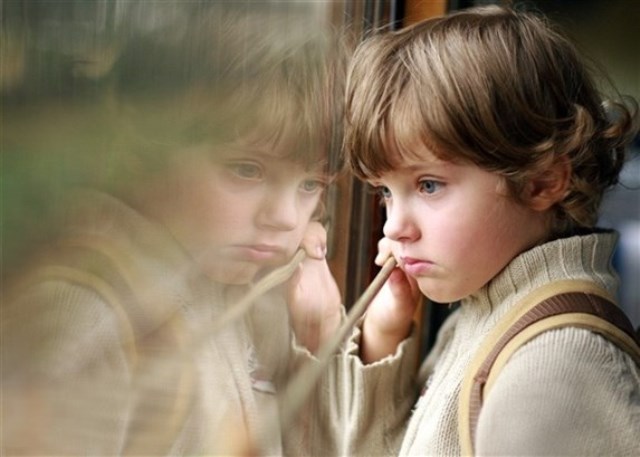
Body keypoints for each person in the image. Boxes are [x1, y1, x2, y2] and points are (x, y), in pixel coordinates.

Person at [1, 3, 344, 455]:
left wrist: (322, 340)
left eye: (311, 185)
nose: (286, 218)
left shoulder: (253, 293)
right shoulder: (91, 315)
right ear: (149, 151)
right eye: (246, 170)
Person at [325, 5, 639, 456]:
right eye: (385, 192)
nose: (394, 226)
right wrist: (384, 334)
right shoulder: (478, 314)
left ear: (541, 182)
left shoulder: (552, 368)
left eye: (428, 185)